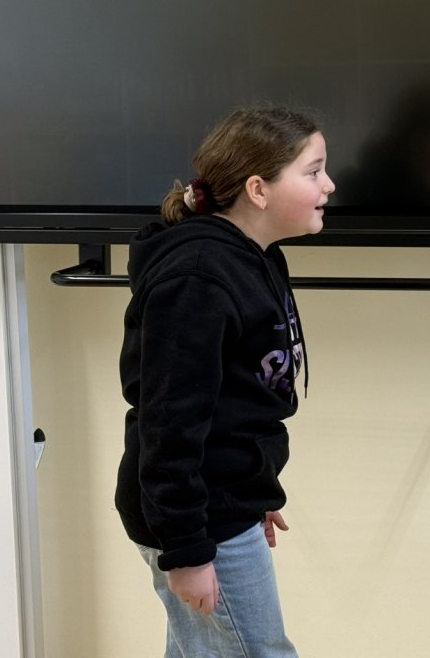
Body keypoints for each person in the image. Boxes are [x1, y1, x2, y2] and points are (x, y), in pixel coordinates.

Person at [115, 105, 335, 657]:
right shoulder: (197, 279)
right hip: (199, 518)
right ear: (258, 190)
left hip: (220, 502)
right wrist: (188, 551)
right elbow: (169, 427)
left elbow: (239, 402)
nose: (329, 185)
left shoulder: (256, 258)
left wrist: (254, 489)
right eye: (313, 172)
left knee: (202, 650)